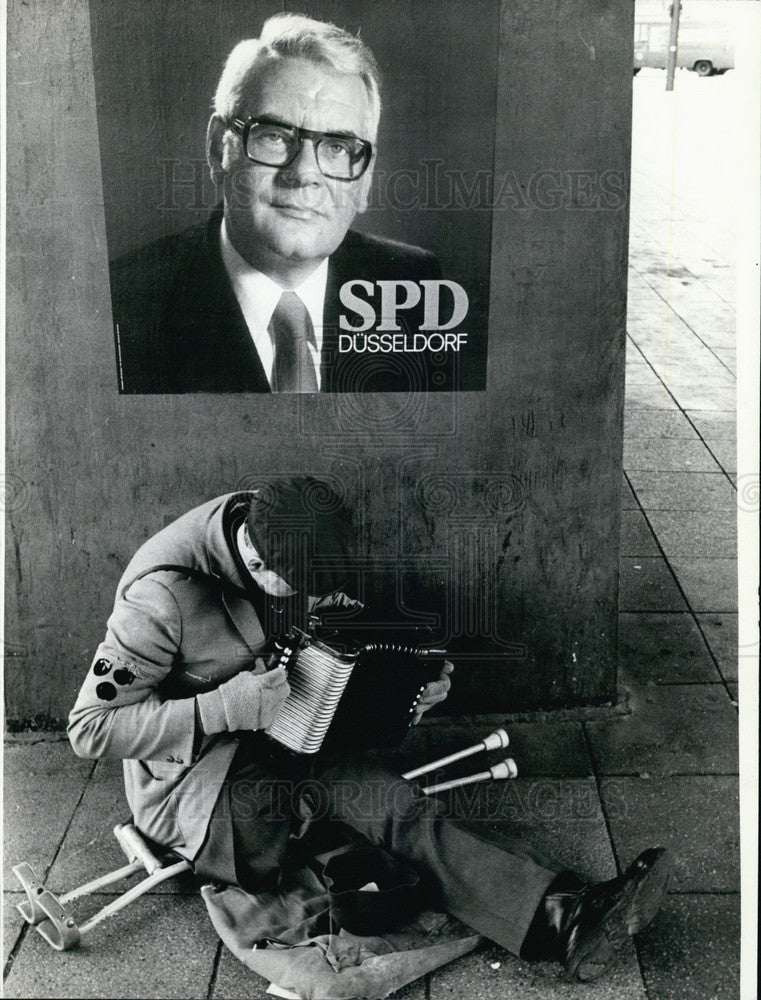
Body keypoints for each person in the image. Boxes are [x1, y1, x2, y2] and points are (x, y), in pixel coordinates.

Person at [68, 476, 670, 983]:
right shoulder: (160, 598)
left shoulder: (285, 523)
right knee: (379, 801)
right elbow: (90, 730)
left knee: (394, 805)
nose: (314, 596)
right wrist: (224, 707)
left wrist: (405, 692)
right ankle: (551, 918)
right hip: (200, 794)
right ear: (256, 560)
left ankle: (565, 921)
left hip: (281, 736)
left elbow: (328, 630)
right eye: (299, 587)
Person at [111, 14, 462, 394]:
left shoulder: (412, 283)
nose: (304, 173)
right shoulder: (126, 305)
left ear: (365, 179)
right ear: (219, 149)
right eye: (275, 136)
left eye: (337, 147)